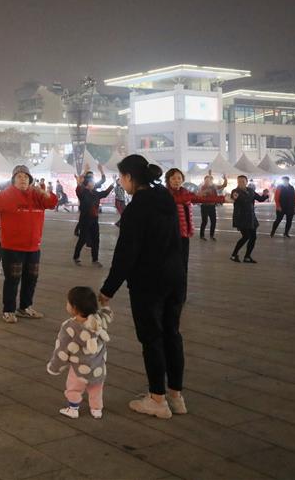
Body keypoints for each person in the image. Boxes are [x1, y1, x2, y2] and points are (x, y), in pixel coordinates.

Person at [99, 154, 186, 419]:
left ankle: (157, 400)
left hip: (149, 281)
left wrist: (108, 289)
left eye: (121, 177)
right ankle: (175, 395)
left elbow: (126, 253)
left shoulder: (137, 208)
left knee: (152, 338)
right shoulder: (166, 199)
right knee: (172, 334)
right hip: (176, 277)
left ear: (128, 178)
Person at [0, 165, 57, 322]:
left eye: (26, 177)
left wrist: (44, 192)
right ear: (13, 179)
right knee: (13, 279)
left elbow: (52, 203)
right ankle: (8, 310)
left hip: (33, 246)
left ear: (30, 179)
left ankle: (25, 307)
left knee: (31, 278)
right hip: (12, 247)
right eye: (19, 176)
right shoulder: (6, 195)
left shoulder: (37, 195)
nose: (23, 179)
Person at [46, 287, 113, 419]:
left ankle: (73, 408)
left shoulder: (70, 327)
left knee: (74, 388)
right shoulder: (98, 320)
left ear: (74, 307)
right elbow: (107, 314)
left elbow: (62, 350)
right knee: (96, 389)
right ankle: (96, 409)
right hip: (98, 367)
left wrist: (54, 367)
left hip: (79, 368)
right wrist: (105, 303)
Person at [164, 168, 224, 289]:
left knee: (183, 263)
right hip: (170, 235)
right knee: (171, 264)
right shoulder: (164, 193)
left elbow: (202, 199)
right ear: (168, 180)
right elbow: (174, 201)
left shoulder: (184, 191)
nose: (176, 181)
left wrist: (222, 199)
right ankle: (170, 289)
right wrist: (190, 198)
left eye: (179, 178)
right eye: (173, 178)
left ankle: (181, 291)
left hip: (184, 234)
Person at [72, 165, 113, 267]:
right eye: (91, 182)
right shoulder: (82, 193)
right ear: (87, 183)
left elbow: (105, 193)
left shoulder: (95, 193)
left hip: (94, 220)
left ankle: (95, 260)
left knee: (96, 239)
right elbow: (78, 187)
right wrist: (82, 175)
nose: (94, 183)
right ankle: (76, 257)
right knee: (83, 239)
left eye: (93, 182)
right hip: (85, 220)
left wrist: (113, 185)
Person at [230, 176, 269, 263]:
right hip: (241, 218)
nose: (241, 183)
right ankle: (233, 255)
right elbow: (241, 200)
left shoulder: (250, 191)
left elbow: (260, 199)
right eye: (239, 181)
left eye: (243, 181)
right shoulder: (235, 192)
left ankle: (247, 257)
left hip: (251, 217)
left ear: (246, 182)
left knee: (253, 237)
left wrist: (265, 195)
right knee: (246, 236)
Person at [198, 171, 228, 240]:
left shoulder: (214, 186)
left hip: (212, 206)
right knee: (204, 221)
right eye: (207, 180)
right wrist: (207, 191)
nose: (208, 181)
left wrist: (225, 179)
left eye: (210, 180)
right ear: (205, 180)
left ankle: (212, 235)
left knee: (213, 221)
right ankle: (202, 235)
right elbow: (202, 194)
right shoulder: (203, 187)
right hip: (204, 207)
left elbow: (224, 185)